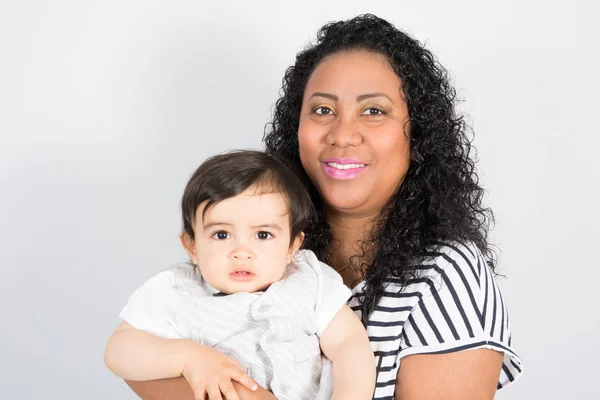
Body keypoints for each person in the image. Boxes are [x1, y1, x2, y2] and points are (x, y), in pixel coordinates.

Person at [125, 13, 523, 400]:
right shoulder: (259, 248)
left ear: (417, 137)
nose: (343, 134)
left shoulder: (445, 274)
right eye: (322, 110)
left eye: (373, 111)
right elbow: (142, 364)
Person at [104, 150, 376, 400]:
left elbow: (348, 344)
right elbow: (119, 350)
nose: (242, 252)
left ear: (292, 246)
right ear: (192, 246)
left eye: (263, 235)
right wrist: (187, 357)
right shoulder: (178, 291)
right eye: (221, 235)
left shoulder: (309, 281)